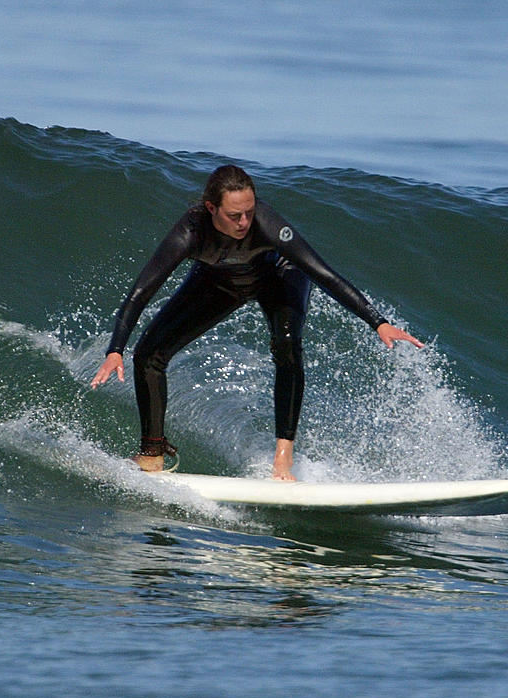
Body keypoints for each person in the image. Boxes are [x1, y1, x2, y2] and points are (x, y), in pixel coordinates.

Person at [91, 165, 423, 480]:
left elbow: (324, 274)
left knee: (287, 343)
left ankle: (283, 455)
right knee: (148, 354)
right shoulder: (190, 231)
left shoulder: (267, 225)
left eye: (250, 211)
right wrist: (116, 349)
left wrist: (377, 322)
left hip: (280, 276)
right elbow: (141, 291)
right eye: (235, 215)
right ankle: (152, 454)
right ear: (211, 208)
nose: (245, 221)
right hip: (220, 280)